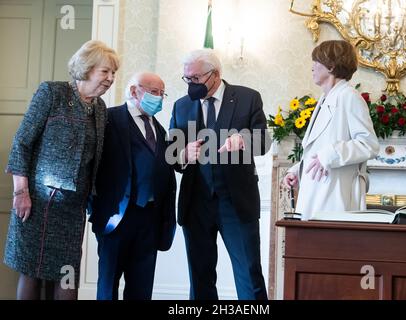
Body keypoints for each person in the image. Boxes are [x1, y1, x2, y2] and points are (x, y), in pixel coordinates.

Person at [3, 40, 119, 300]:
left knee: (67, 275)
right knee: (30, 271)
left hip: (72, 208)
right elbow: (22, 143)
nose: (111, 79)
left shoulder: (99, 109)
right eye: (105, 71)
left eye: (114, 74)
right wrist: (20, 192)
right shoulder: (52, 94)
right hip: (36, 203)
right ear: (87, 68)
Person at [169, 49, 271, 300]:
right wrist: (183, 153)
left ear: (215, 75)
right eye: (187, 79)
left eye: (195, 78)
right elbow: (172, 154)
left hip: (236, 202)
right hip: (196, 204)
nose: (190, 84)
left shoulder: (248, 98)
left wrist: (243, 138)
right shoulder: (181, 106)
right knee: (200, 277)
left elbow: (264, 141)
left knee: (249, 274)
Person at [89, 72, 176, 300]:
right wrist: (93, 207)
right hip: (115, 217)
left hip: (149, 219)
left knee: (141, 287)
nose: (158, 98)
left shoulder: (159, 129)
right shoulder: (108, 119)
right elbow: (91, 164)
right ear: (134, 91)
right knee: (108, 286)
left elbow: (164, 171)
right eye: (153, 92)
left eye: (161, 93)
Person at [283, 40, 380, 220]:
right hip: (317, 192)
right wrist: (297, 170)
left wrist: (330, 155)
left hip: (335, 194)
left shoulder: (350, 97)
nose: (312, 67)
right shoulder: (325, 98)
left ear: (331, 66)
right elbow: (318, 148)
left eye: (317, 62)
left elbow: (369, 144)